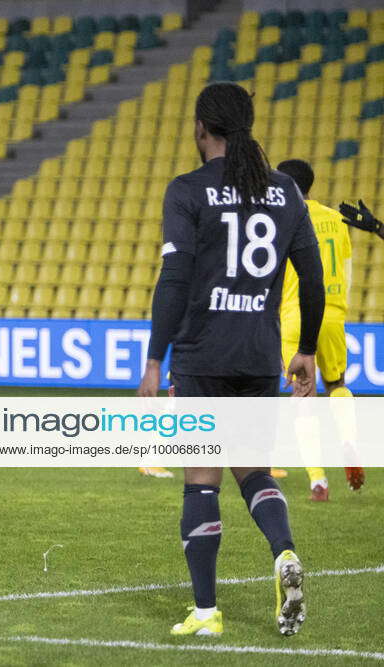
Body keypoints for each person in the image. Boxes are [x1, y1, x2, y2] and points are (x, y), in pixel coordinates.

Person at [137, 82, 325, 637]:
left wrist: (155, 358)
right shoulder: (286, 191)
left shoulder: (188, 191)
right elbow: (311, 279)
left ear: (201, 128)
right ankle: (284, 551)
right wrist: (308, 349)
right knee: (254, 471)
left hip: (202, 353)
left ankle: (205, 613)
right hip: (260, 353)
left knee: (201, 480)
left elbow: (174, 278)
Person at [275, 159, 365, 500]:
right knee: (337, 384)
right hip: (332, 312)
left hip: (294, 314)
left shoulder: (282, 218)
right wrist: (340, 310)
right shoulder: (335, 220)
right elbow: (346, 268)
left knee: (302, 397)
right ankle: (349, 441)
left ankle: (318, 481)